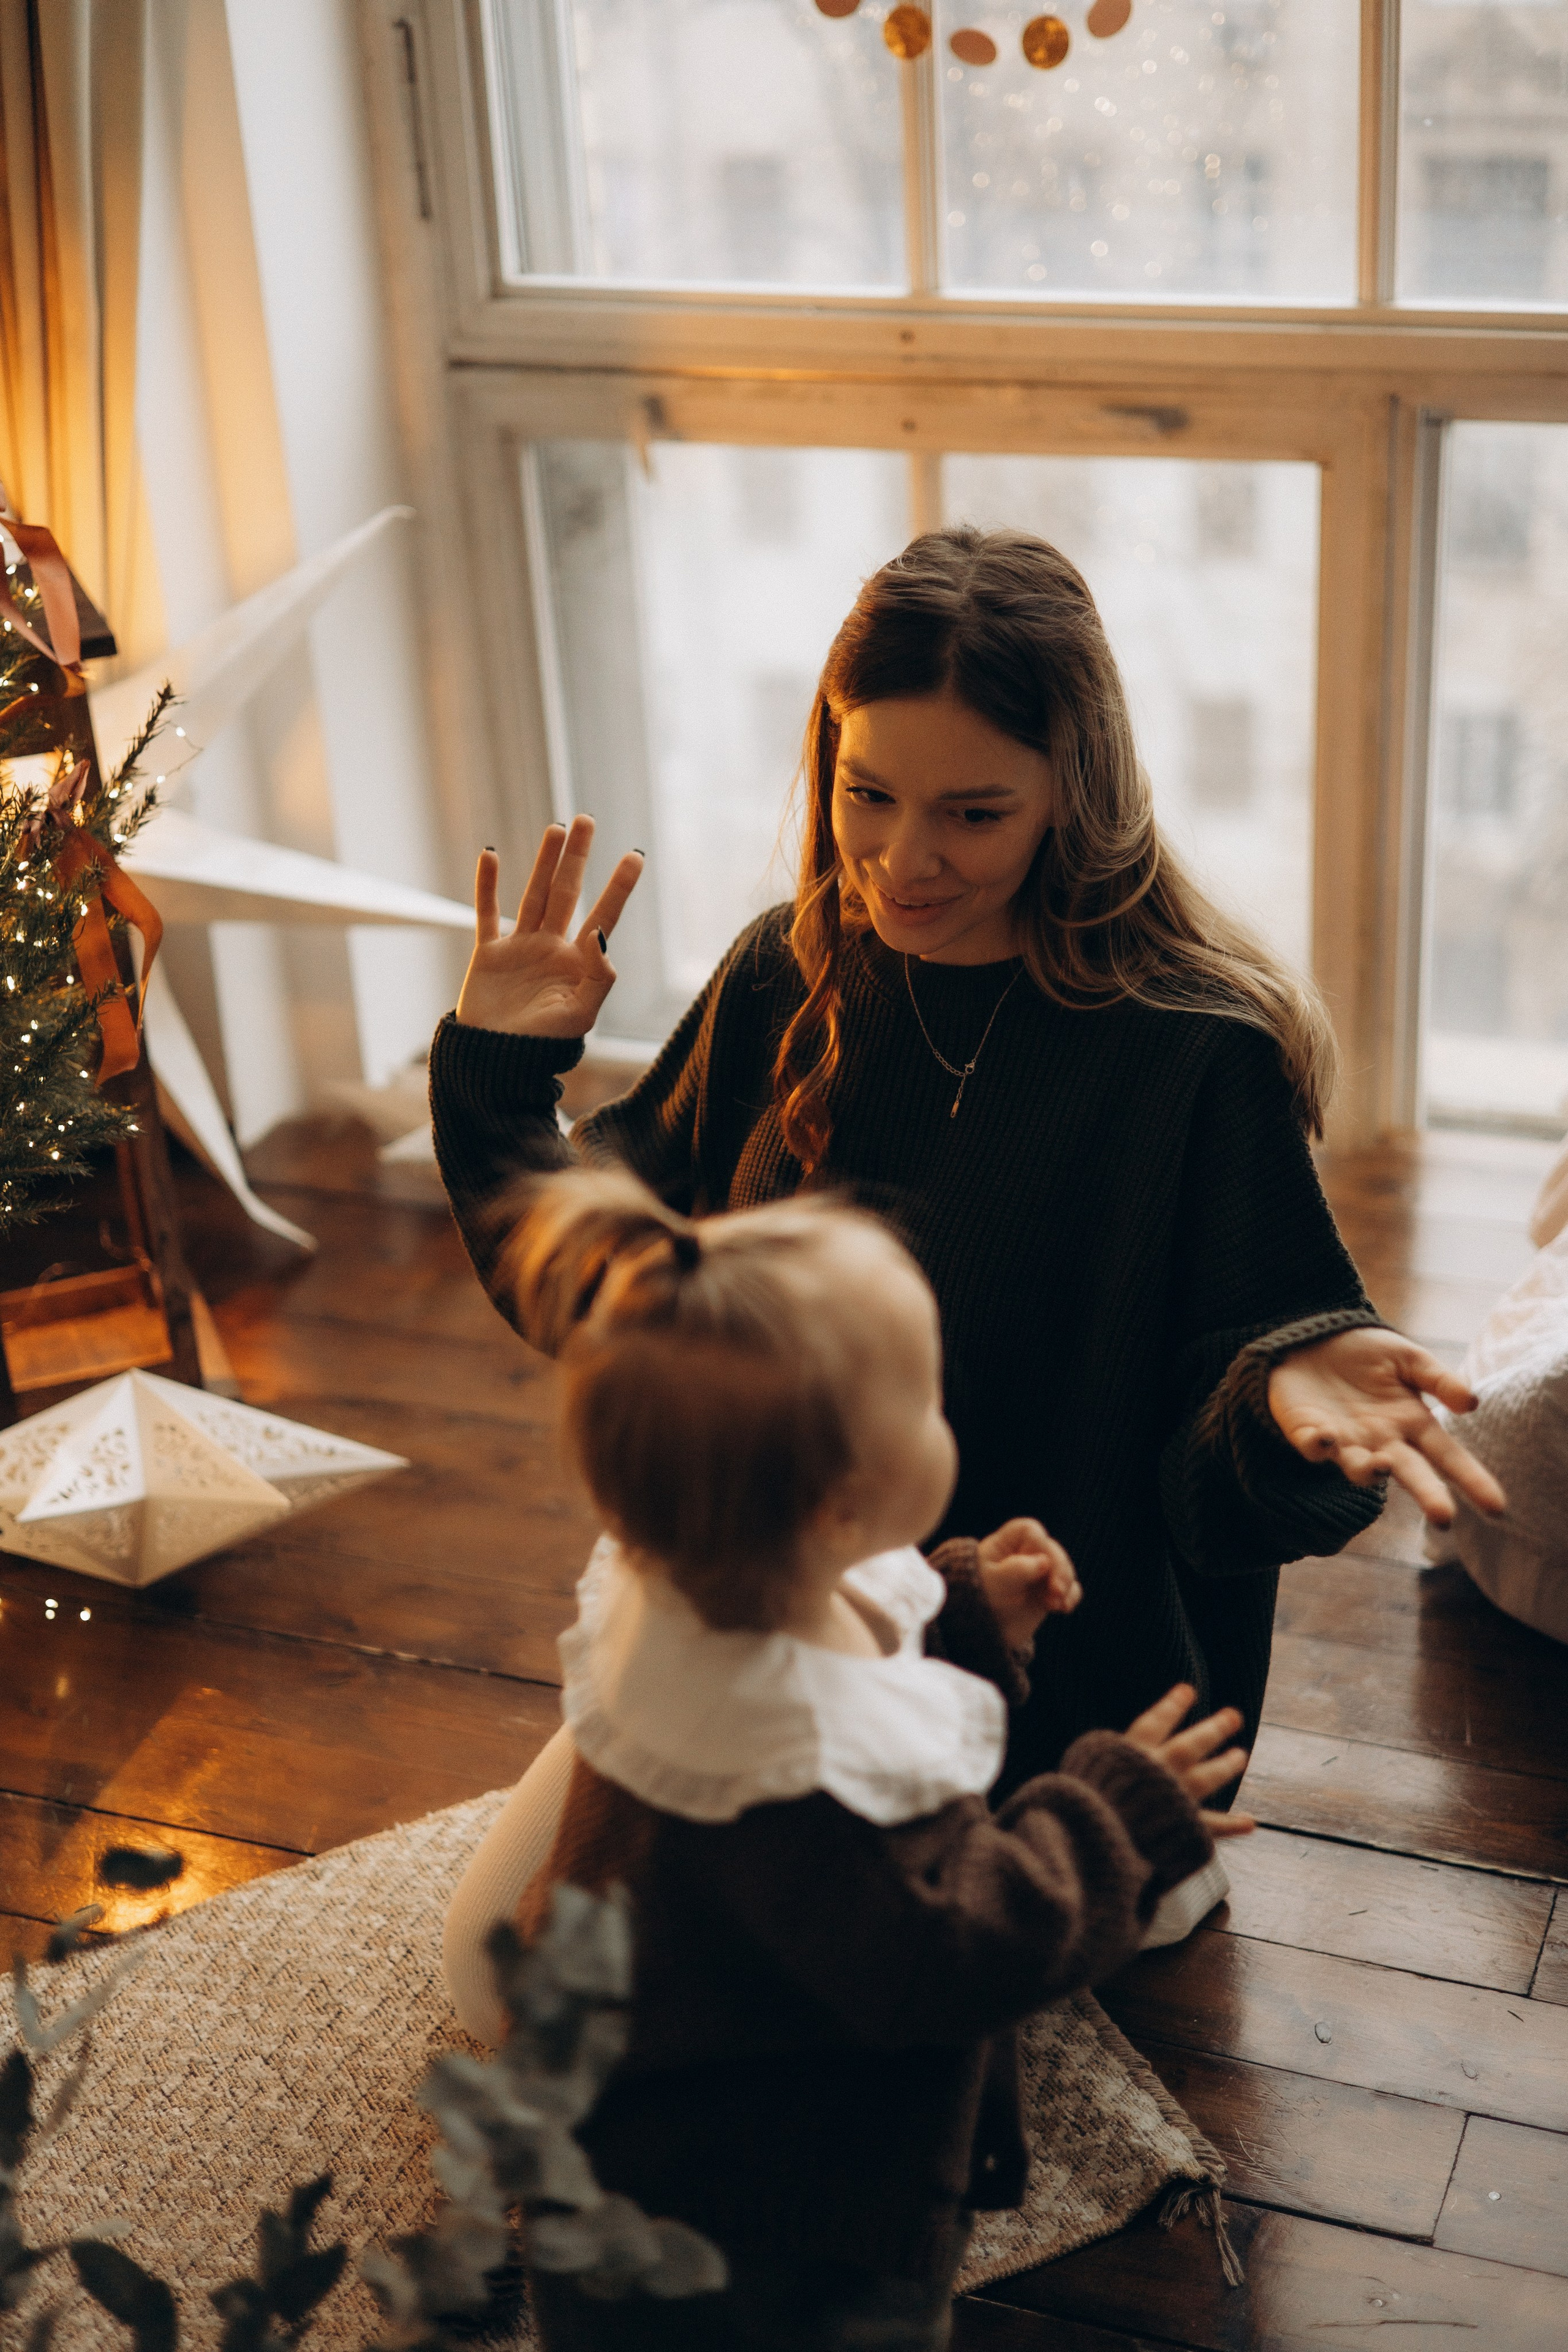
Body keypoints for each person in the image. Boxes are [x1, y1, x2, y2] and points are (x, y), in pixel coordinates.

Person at [431, 526, 1504, 1809]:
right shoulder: (786, 970)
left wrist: (1276, 1388)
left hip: (1066, 1749)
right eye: (867, 794)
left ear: (1073, 791)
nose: (902, 860)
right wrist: (500, 1072)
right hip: (787, 1676)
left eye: (974, 813)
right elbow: (603, 1291)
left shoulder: (1195, 1054)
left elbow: (1216, 1480)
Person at [494, 1165, 1253, 2352]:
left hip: (623, 2111)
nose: (952, 1407)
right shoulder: (808, 1781)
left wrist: (959, 1611)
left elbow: (848, 1627)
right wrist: (1108, 1818)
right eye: (931, 1396)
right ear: (838, 1508)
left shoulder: (697, 1575)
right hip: (754, 2229)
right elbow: (957, 1953)